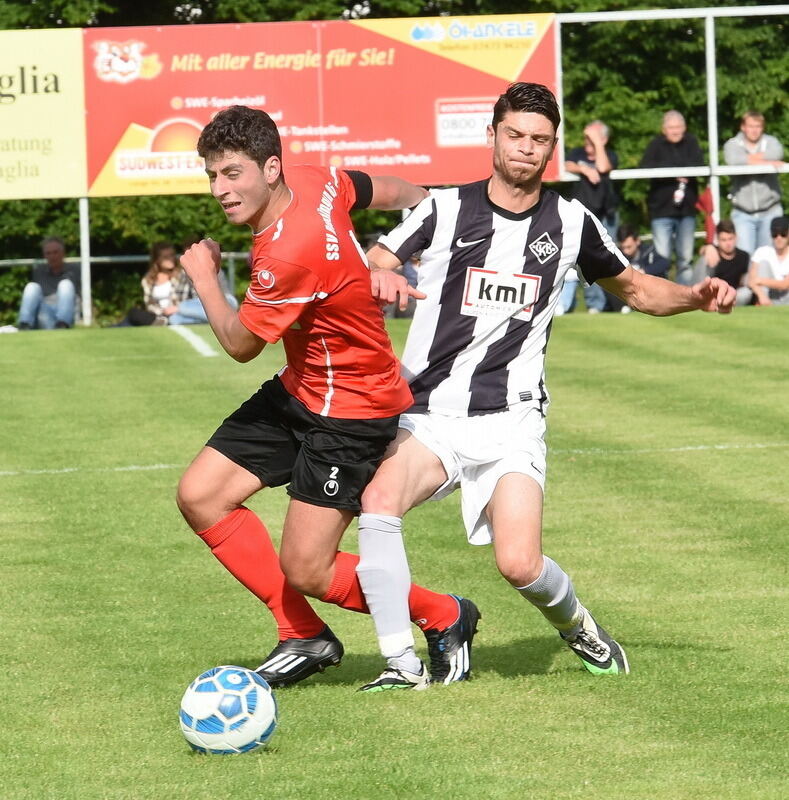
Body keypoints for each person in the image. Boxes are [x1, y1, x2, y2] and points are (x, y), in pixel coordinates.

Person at [355, 82, 735, 691]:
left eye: (539, 140)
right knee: (377, 506)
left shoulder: (570, 220)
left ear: (552, 148)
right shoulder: (444, 209)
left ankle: (578, 624)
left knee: (519, 564)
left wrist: (696, 295)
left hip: (512, 419)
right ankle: (401, 663)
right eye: (515, 135)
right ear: (492, 137)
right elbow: (372, 261)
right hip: (429, 413)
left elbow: (636, 289)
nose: (526, 149)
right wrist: (379, 280)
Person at [176, 105, 478, 691]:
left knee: (307, 566)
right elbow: (379, 188)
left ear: (269, 168)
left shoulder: (287, 252)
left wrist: (206, 277)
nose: (220, 189)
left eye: (231, 173)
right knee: (201, 495)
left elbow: (240, 345)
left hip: (352, 409)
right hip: (306, 388)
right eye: (213, 175)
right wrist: (429, 207)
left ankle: (445, 614)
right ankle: (303, 634)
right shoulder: (313, 180)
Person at [640, 111, 705, 285]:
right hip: (661, 211)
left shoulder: (691, 142)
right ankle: (664, 295)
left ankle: (685, 295)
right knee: (662, 259)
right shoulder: (655, 145)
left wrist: (683, 172)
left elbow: (699, 164)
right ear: (664, 129)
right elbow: (645, 167)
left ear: (684, 128)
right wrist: (674, 174)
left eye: (678, 127)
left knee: (686, 258)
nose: (675, 131)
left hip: (687, 211)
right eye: (671, 127)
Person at [564, 120, 619, 313]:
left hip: (606, 214)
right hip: (583, 216)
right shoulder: (578, 154)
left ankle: (613, 303)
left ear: (603, 139)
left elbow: (604, 168)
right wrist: (585, 169)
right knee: (587, 260)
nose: (587, 141)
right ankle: (594, 304)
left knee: (610, 259)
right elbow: (567, 164)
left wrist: (598, 144)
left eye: (592, 138)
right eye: (587, 138)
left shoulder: (608, 154)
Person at [723, 111, 784, 255]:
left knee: (770, 257)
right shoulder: (733, 144)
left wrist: (747, 160)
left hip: (770, 210)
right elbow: (733, 159)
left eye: (758, 126)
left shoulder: (771, 141)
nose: (754, 130)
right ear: (743, 127)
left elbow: (777, 153)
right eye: (750, 126)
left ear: (763, 127)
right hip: (742, 213)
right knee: (745, 259)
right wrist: (765, 161)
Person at [603, 224, 670, 313]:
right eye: (623, 248)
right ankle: (622, 309)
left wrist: (644, 271)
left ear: (637, 241)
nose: (626, 251)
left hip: (648, 292)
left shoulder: (649, 251)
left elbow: (664, 263)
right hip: (626, 296)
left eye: (629, 247)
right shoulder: (618, 254)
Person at [17, 237, 80, 330]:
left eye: (55, 252)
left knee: (65, 284)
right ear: (44, 255)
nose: (52, 256)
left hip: (66, 312)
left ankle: (63, 325)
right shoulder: (39, 271)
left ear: (63, 253)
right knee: (31, 286)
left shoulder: (74, 270)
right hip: (45, 314)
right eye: (48, 253)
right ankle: (24, 325)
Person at [694, 220, 752, 306]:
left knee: (746, 292)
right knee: (703, 260)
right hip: (712, 294)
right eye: (723, 240)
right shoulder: (712, 253)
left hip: (733, 295)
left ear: (736, 237)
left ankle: (724, 304)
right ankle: (700, 299)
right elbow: (701, 250)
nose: (728, 243)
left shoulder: (744, 256)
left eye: (730, 239)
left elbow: (744, 282)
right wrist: (707, 248)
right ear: (717, 239)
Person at [747, 215, 789, 306]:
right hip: (768, 297)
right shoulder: (762, 252)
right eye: (775, 234)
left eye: (783, 234)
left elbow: (785, 285)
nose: (779, 238)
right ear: (771, 234)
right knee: (763, 264)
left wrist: (760, 280)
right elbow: (751, 281)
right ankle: (763, 304)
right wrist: (762, 296)